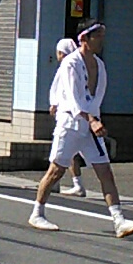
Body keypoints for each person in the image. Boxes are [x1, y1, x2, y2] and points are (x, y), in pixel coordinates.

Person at [29, 24, 133, 239]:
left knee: (105, 171)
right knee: (56, 171)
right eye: (97, 36)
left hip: (90, 127)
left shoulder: (100, 64)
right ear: (84, 38)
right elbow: (74, 99)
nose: (101, 40)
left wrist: (95, 120)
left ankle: (119, 221)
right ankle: (37, 213)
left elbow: (95, 98)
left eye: (102, 36)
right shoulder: (70, 63)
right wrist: (91, 119)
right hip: (70, 125)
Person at [49, 38, 89, 198]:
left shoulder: (67, 66)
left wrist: (54, 103)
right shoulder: (78, 65)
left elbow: (60, 89)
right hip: (76, 116)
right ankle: (76, 184)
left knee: (60, 151)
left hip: (69, 116)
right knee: (70, 152)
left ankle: (53, 183)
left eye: (59, 52)